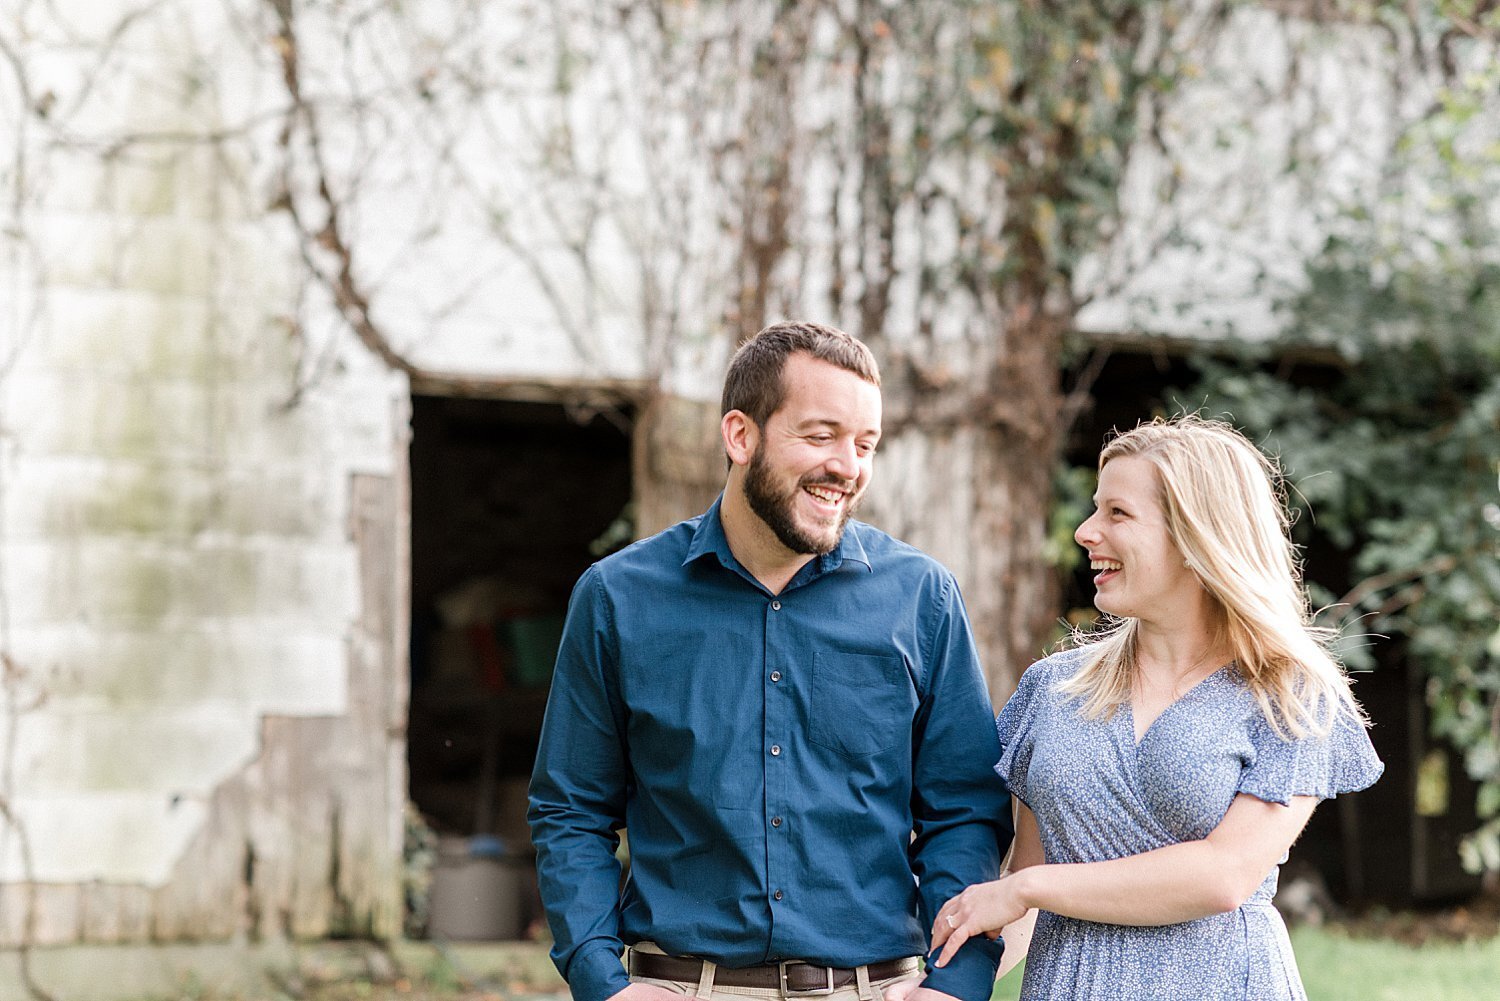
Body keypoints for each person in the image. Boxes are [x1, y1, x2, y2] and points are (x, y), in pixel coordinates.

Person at [529, 321, 1013, 1001]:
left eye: (865, 443)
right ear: (740, 435)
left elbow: (963, 811)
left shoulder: (920, 597)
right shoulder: (618, 598)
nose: (847, 465)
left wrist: (956, 985)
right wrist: (602, 981)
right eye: (820, 435)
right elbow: (570, 808)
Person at [930, 415, 1383, 1000]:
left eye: (1117, 513)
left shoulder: (1292, 695)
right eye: (1095, 509)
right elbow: (1019, 889)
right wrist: (946, 989)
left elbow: (1223, 876)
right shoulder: (1054, 689)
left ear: (1197, 537)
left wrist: (1028, 889)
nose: (1085, 532)